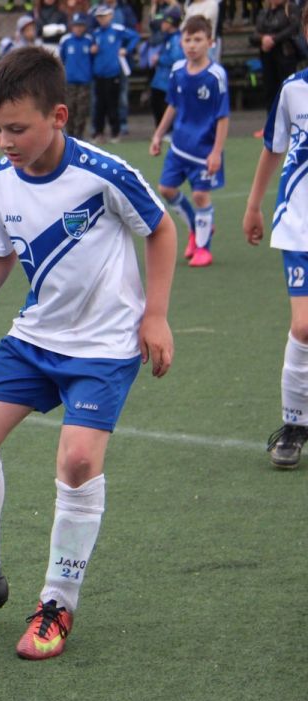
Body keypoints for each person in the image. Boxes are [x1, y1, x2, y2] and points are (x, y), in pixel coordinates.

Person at [0, 46, 175, 661]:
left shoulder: (102, 173)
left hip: (104, 347)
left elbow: (160, 228)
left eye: (17, 129)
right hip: (34, 340)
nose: (5, 141)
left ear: (58, 116)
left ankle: (58, 602)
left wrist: (155, 315)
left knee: (77, 461)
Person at [243, 13, 308, 469]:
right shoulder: (293, 90)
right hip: (299, 224)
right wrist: (253, 205)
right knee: (303, 327)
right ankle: (295, 423)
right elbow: (273, 147)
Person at [149, 15, 228, 268]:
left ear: (210, 42)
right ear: (181, 42)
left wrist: (216, 152)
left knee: (200, 195)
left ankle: (203, 248)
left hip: (204, 150)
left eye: (198, 39)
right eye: (187, 40)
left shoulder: (216, 76)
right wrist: (158, 134)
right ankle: (197, 226)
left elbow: (223, 117)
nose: (192, 45)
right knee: (166, 189)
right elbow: (173, 105)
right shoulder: (177, 71)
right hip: (179, 146)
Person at [89, 4, 136, 143]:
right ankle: (98, 132)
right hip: (99, 74)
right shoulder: (96, 33)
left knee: (112, 104)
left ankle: (115, 132)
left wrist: (126, 49)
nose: (101, 19)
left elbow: (135, 36)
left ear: (110, 16)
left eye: (104, 16)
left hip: (113, 73)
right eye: (99, 17)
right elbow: (92, 49)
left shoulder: (117, 29)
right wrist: (93, 50)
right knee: (99, 105)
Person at [251, 0, 301, 119]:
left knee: (287, 89)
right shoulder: (264, 12)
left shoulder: (290, 8)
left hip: (285, 55)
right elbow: (254, 34)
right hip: (267, 56)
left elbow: (294, 28)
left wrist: (274, 39)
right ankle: (272, 120)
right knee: (270, 91)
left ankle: (290, 119)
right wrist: (263, 39)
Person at [59, 11, 92, 138]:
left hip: (84, 81)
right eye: (76, 25)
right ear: (72, 26)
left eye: (81, 25)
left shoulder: (89, 40)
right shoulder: (66, 40)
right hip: (70, 81)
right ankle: (70, 135)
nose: (78, 28)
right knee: (70, 108)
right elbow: (61, 58)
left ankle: (79, 135)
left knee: (82, 109)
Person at [148, 6, 183, 126]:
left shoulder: (176, 39)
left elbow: (176, 58)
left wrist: (159, 59)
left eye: (163, 21)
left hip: (167, 82)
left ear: (170, 23)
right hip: (161, 81)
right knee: (156, 106)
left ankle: (167, 131)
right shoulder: (168, 38)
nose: (161, 24)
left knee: (164, 110)